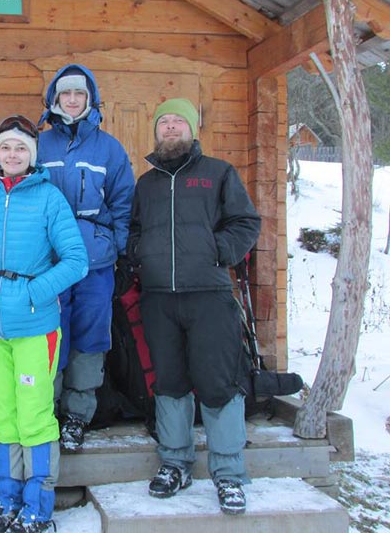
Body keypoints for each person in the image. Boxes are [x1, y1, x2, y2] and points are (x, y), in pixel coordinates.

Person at [126, 98, 261, 515]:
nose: (170, 128)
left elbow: (246, 222)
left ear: (192, 129)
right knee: (169, 382)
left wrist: (217, 253)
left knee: (218, 382)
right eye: (163, 121)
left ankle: (229, 473)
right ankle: (175, 462)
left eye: (177, 122)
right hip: (159, 298)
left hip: (210, 295)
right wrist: (140, 255)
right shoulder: (145, 184)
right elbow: (133, 229)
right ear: (155, 130)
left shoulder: (218, 173)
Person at [0, 115, 88, 533]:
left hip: (35, 326)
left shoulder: (49, 199)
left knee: (34, 415)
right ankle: (8, 500)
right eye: (6, 148)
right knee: (1, 413)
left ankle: (38, 507)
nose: (12, 155)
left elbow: (76, 260)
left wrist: (33, 293)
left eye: (21, 149)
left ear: (32, 155)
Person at [38, 64, 135, 450]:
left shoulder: (109, 148)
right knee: (51, 334)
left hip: (96, 261)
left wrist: (120, 251)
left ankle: (78, 416)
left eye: (80, 94)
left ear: (90, 99)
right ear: (55, 99)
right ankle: (47, 409)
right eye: (66, 94)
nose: (73, 100)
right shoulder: (40, 144)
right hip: (49, 261)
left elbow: (123, 202)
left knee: (90, 338)